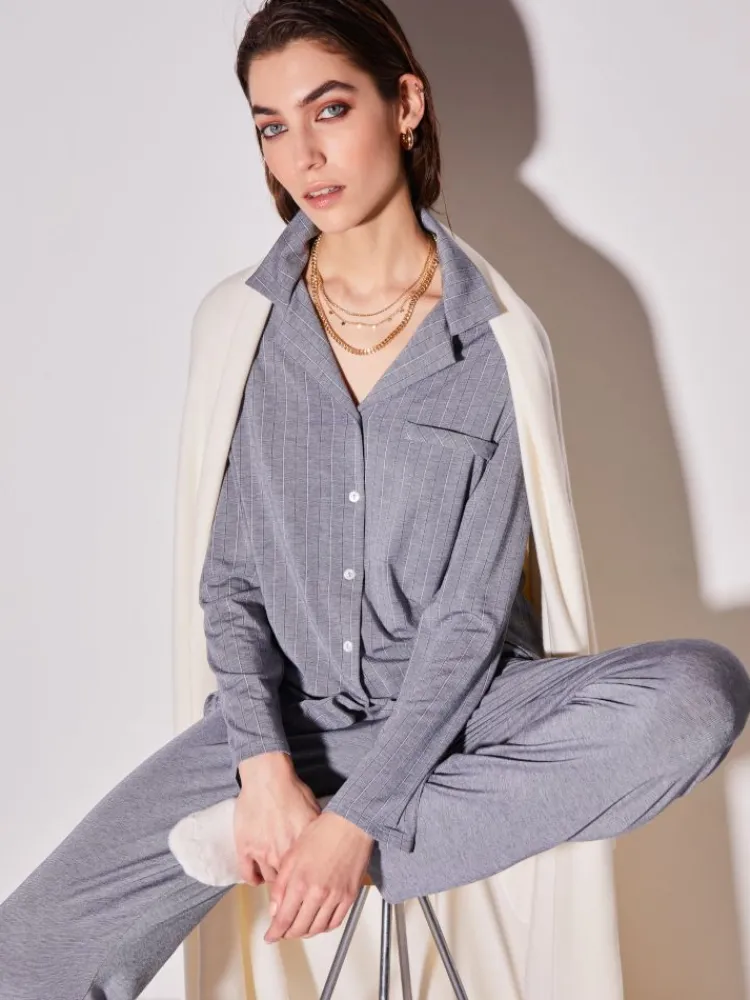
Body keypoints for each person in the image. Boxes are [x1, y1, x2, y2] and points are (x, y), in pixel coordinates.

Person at [2, 0, 749, 996]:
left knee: (697, 697)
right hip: (279, 722)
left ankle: (350, 838)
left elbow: (471, 618)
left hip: (464, 711)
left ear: (405, 104)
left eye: (330, 109)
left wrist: (353, 823)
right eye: (271, 126)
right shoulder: (242, 328)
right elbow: (230, 584)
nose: (303, 155)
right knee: (27, 953)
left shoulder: (495, 342)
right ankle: (331, 821)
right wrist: (266, 772)